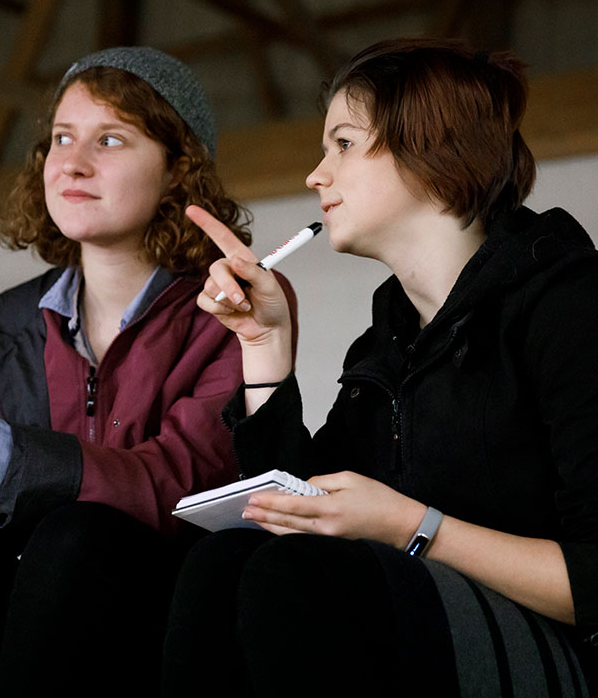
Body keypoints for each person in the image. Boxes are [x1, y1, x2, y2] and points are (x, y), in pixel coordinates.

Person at [0, 46, 296, 697]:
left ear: (177, 169)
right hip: (30, 593)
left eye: (110, 139)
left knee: (77, 538)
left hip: (159, 601)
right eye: (61, 138)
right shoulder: (9, 321)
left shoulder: (233, 303)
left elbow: (181, 485)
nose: (73, 163)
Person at [162, 38, 598, 697]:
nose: (315, 175)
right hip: (426, 621)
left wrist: (412, 527)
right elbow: (301, 515)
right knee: (225, 560)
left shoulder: (570, 306)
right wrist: (264, 346)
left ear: (433, 151)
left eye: (342, 143)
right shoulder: (388, 342)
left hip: (562, 655)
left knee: (296, 577)